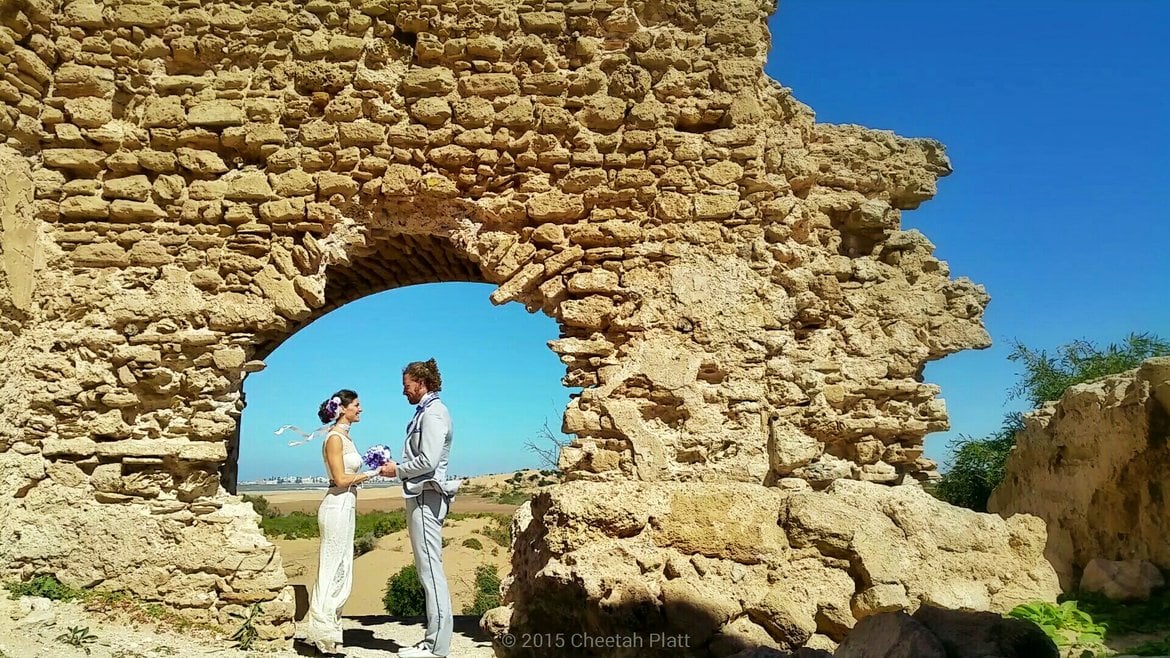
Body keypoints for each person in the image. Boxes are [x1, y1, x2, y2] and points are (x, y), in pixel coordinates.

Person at [295, 389, 392, 655]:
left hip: (346, 506)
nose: (361, 409)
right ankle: (323, 633)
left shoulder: (346, 437)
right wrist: (373, 472)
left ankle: (329, 630)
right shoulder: (334, 439)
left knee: (341, 566)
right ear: (343, 409)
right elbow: (340, 479)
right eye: (357, 405)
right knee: (332, 566)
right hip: (336, 505)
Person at [380, 359, 461, 658]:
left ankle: (436, 647)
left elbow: (427, 460)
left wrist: (396, 470)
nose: (404, 392)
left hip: (427, 495)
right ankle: (432, 640)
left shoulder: (435, 413)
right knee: (426, 568)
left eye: (406, 386)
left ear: (421, 383)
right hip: (420, 495)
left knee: (430, 570)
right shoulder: (426, 412)